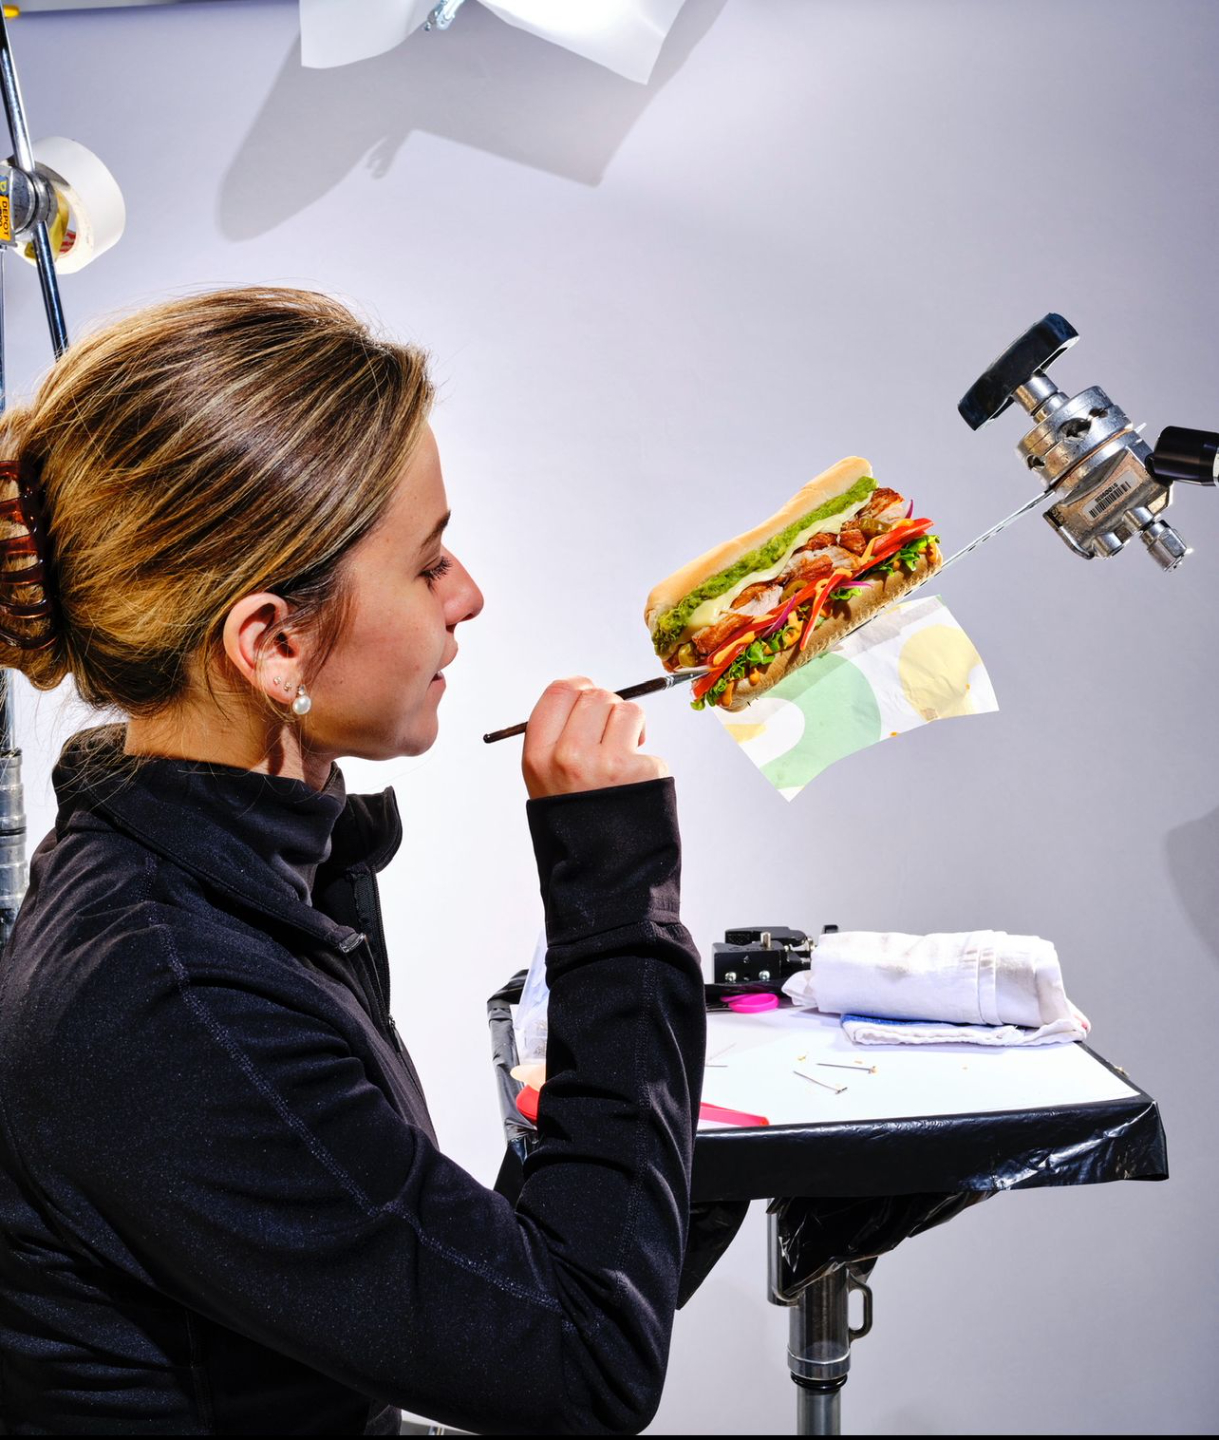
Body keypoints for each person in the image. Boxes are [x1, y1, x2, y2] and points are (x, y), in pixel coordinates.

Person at [0, 288, 706, 1434]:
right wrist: (615, 893)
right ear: (273, 643)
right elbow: (582, 1369)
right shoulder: (176, 1005)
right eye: (428, 565)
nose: (467, 596)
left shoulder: (202, 858)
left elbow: (466, 1290)